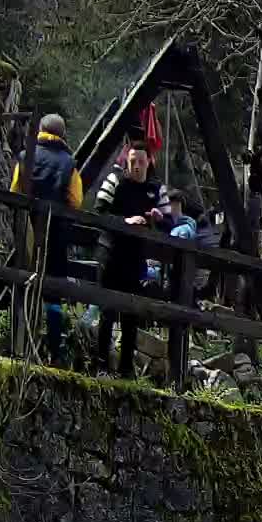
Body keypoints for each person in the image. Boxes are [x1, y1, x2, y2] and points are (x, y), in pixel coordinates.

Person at [8, 114, 83, 363]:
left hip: (28, 232)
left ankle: (18, 344)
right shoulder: (69, 164)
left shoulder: (25, 156)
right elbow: (75, 201)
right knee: (53, 292)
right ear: (62, 135)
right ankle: (54, 350)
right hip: (57, 235)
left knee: (23, 283)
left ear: (40, 131)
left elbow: (15, 191)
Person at [93, 143, 162, 374]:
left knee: (132, 316)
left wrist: (158, 218)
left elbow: (174, 222)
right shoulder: (114, 181)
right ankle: (101, 364)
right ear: (127, 161)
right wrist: (125, 221)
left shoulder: (155, 189)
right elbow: (99, 211)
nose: (136, 166)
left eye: (141, 161)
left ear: (149, 162)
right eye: (132, 161)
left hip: (136, 259)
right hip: (111, 254)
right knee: (108, 312)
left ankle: (126, 369)